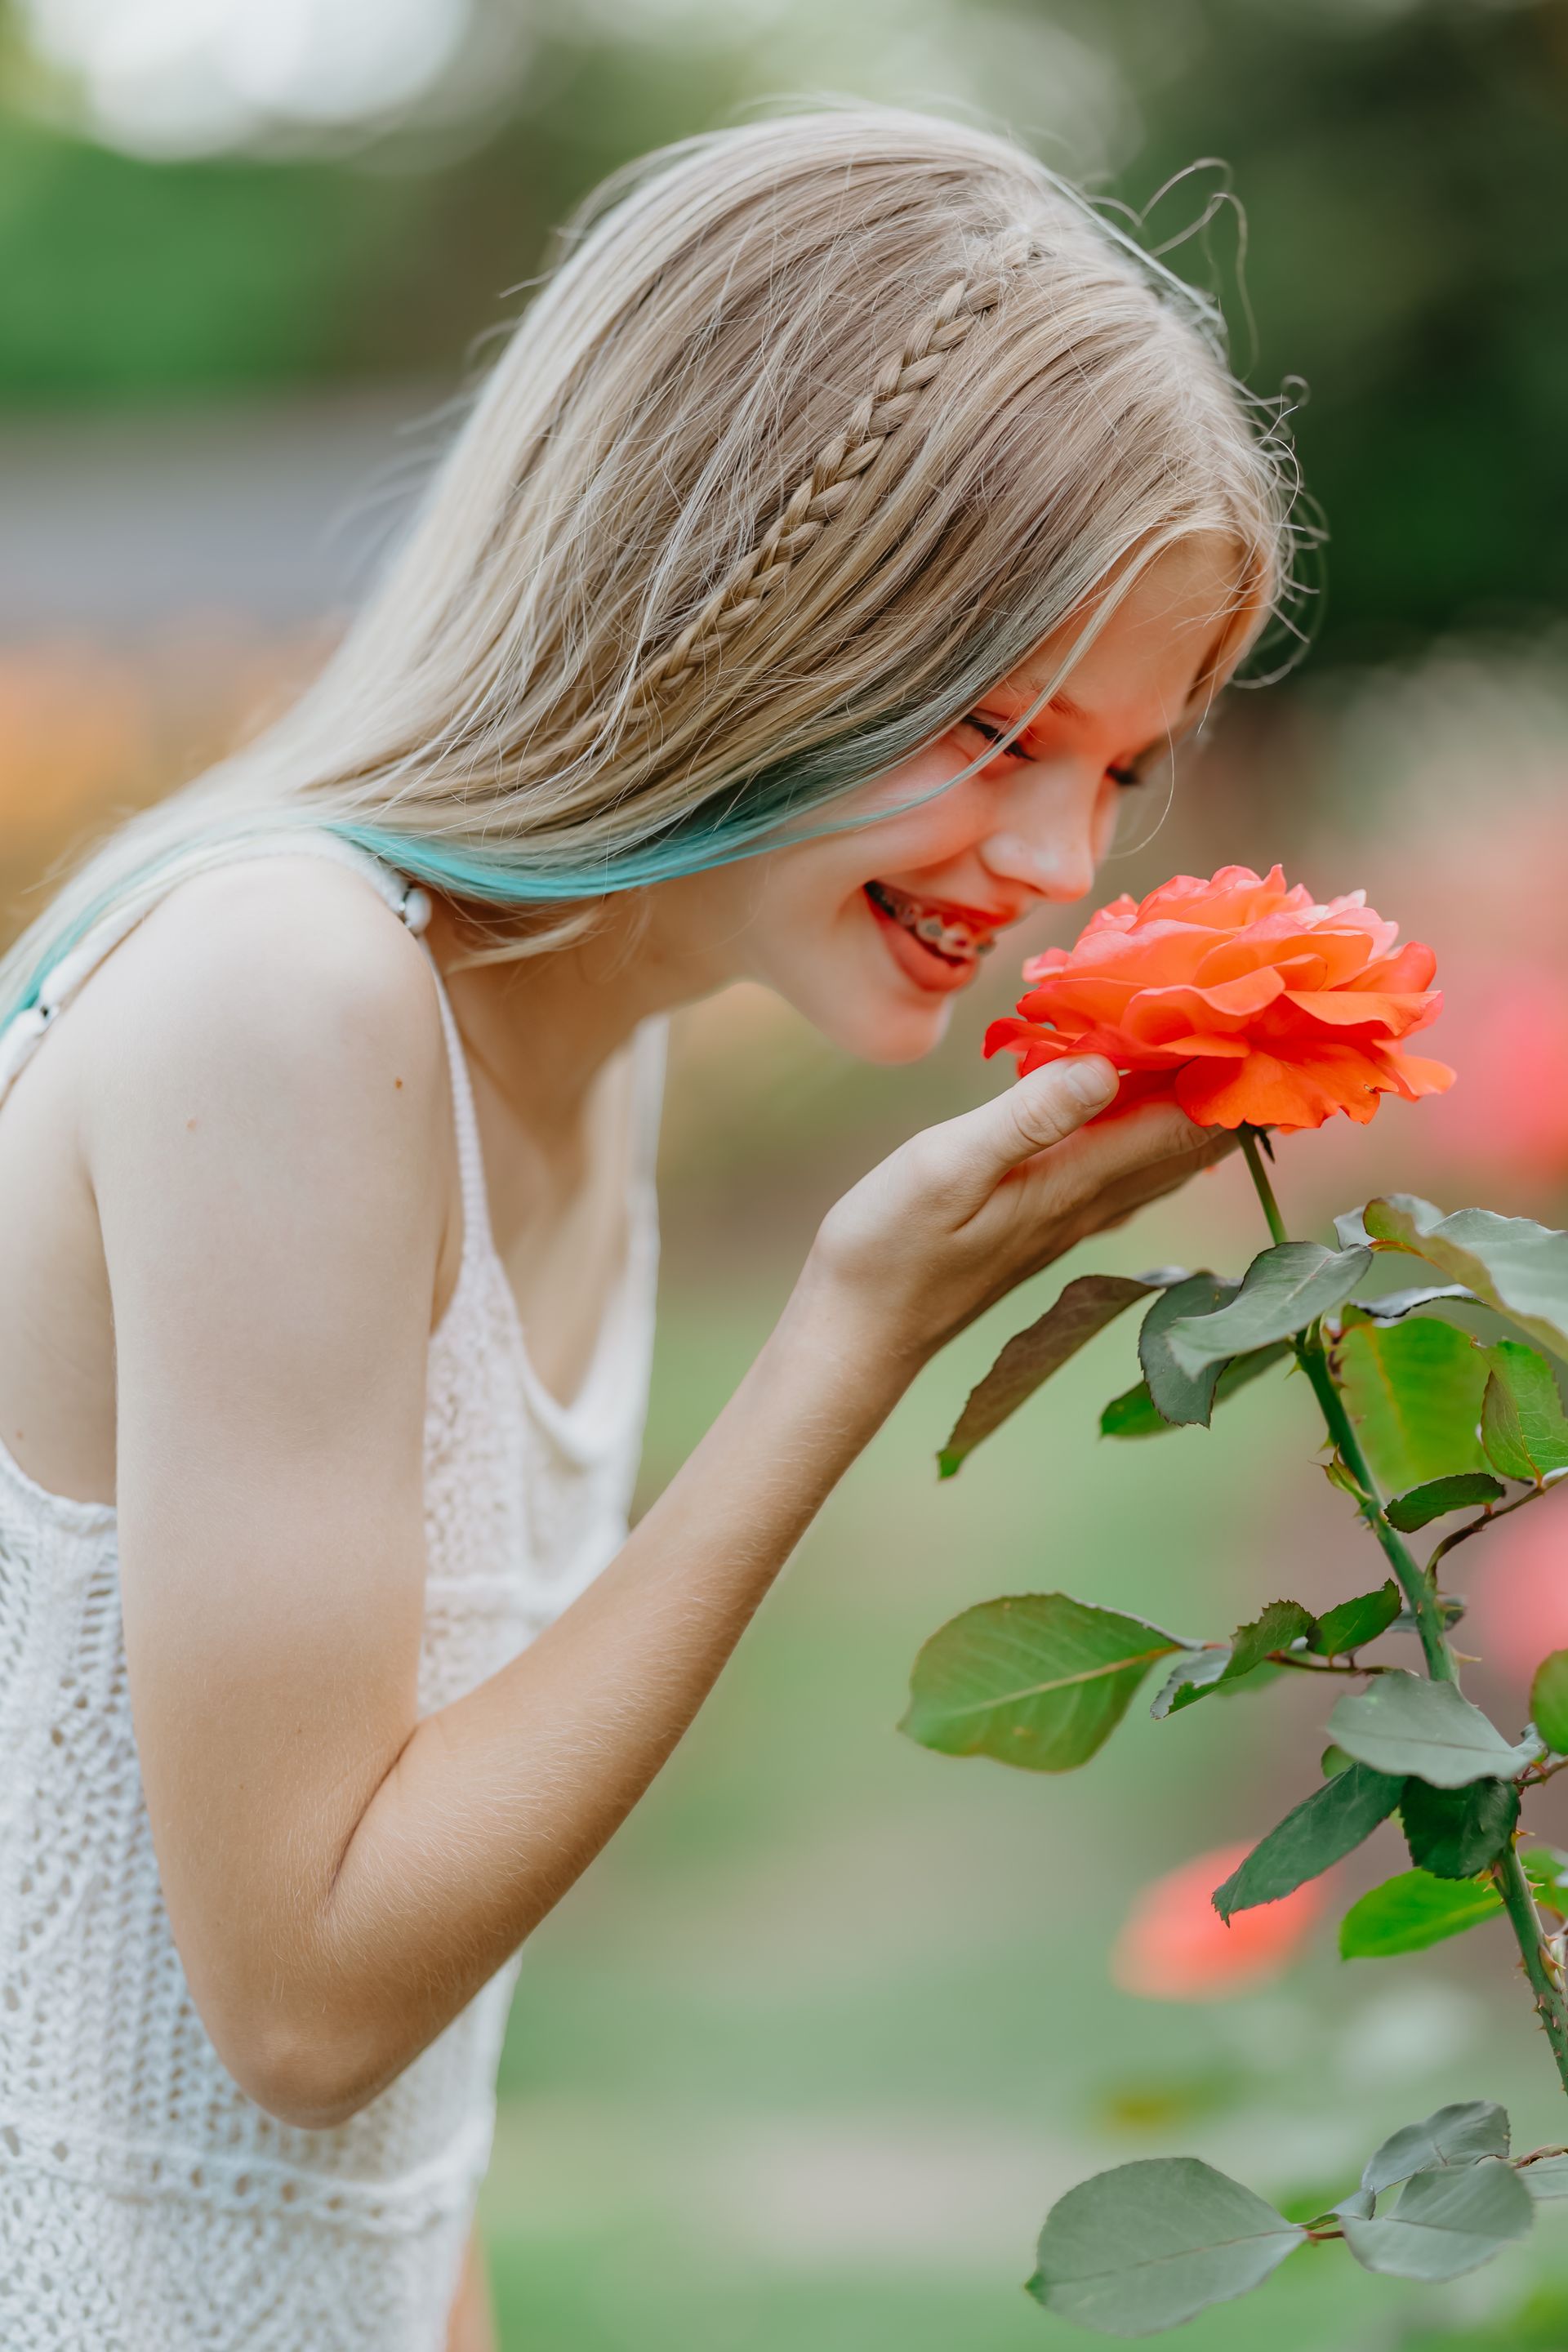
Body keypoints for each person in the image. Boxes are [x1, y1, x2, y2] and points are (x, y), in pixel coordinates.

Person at [0, 105, 1293, 2352]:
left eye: (1123, 761)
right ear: (731, 605)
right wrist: (846, 1349)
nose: (1064, 861)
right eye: (999, 729)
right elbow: (301, 2000)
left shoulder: (606, 1028)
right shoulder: (293, 997)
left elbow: (386, 2127)